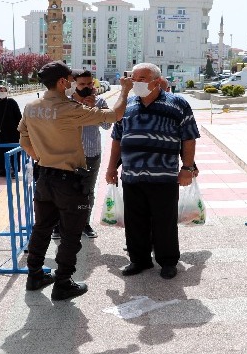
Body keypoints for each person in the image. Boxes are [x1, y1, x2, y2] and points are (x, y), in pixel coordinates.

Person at [19, 60, 132, 300]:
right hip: (68, 182)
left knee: (41, 229)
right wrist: (124, 90)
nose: (72, 83)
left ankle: (35, 275)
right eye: (69, 79)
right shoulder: (68, 108)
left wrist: (41, 157)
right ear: (61, 82)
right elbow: (115, 114)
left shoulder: (31, 107)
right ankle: (63, 283)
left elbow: (23, 141)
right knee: (70, 234)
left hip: (45, 177)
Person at [105, 63, 200, 280]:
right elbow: (116, 139)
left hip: (163, 176)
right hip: (132, 175)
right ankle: (139, 260)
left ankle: (167, 261)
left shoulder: (177, 104)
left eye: (142, 78)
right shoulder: (125, 105)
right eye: (134, 78)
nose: (136, 82)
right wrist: (111, 167)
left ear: (157, 81)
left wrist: (187, 167)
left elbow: (189, 137)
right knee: (135, 220)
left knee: (164, 221)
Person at [51, 69, 111, 239]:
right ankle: (59, 225)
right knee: (64, 191)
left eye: (89, 84)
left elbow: (107, 126)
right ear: (74, 85)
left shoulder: (99, 102)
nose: (86, 87)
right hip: (67, 155)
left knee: (87, 191)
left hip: (91, 154)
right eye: (82, 84)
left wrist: (93, 109)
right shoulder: (65, 103)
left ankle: (84, 223)